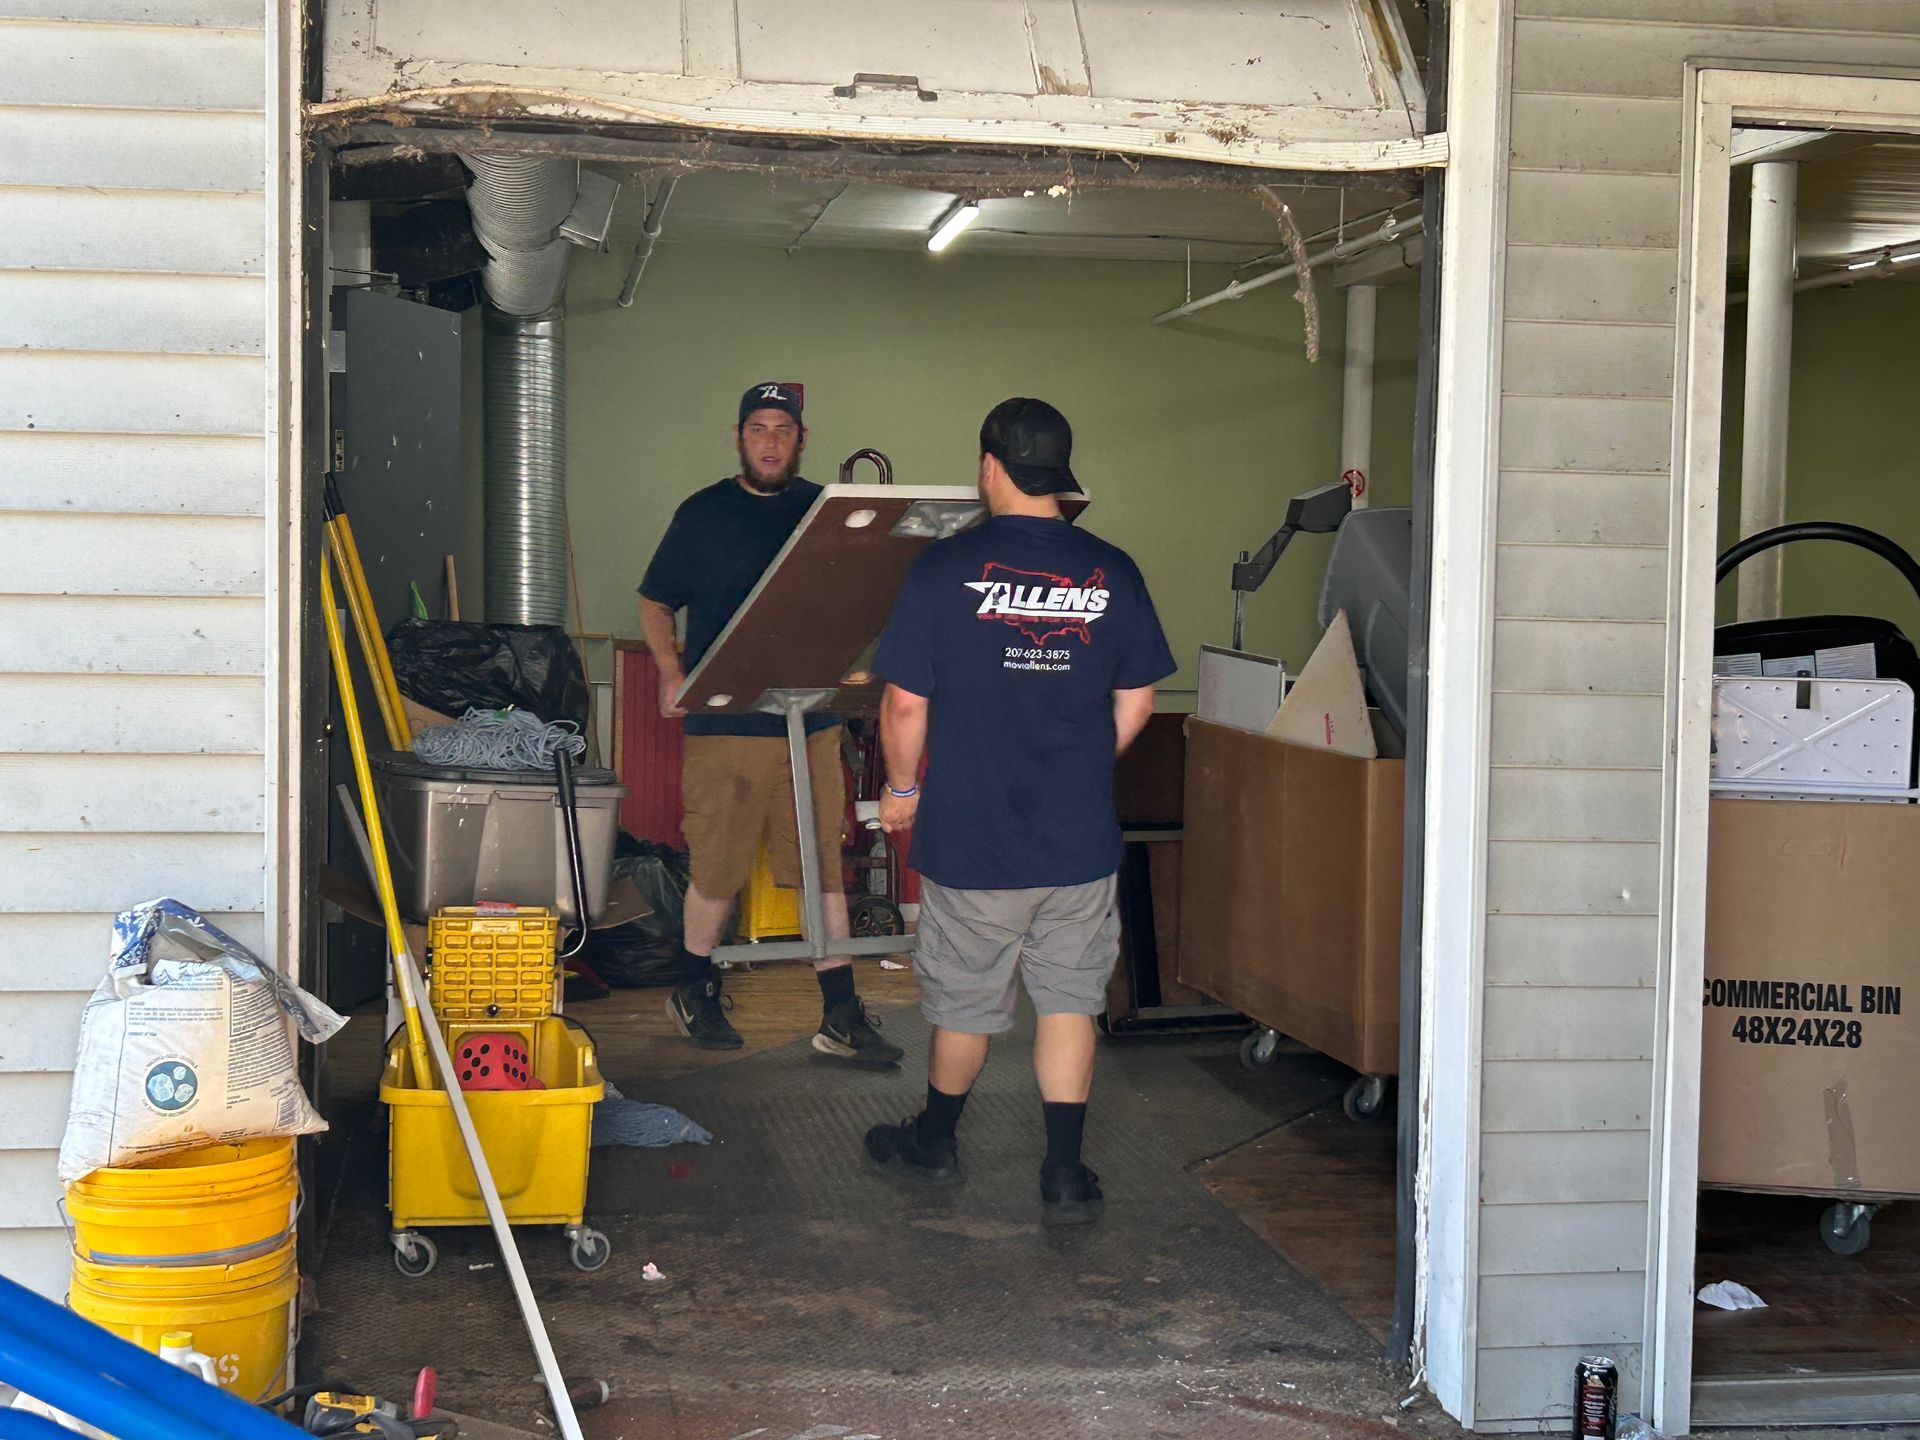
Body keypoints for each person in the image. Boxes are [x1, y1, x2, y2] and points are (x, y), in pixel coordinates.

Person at [861, 397, 1175, 1225]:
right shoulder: (1114, 568)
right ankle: (1065, 1175)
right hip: (1078, 839)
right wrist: (1075, 764)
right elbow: (1138, 701)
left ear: (990, 466)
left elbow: (902, 707)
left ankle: (934, 1144)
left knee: (967, 1001)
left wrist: (900, 791)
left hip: (975, 837)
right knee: (1070, 998)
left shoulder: (941, 570)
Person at [637, 381, 903, 1068]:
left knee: (822, 872)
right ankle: (693, 989)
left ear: (802, 438)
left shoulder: (826, 513)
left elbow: (862, 600)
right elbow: (656, 601)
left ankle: (840, 1012)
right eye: (758, 428)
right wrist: (671, 672)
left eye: (783, 429)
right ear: (738, 435)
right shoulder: (703, 513)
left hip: (811, 725)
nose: (770, 440)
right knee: (717, 870)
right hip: (727, 729)